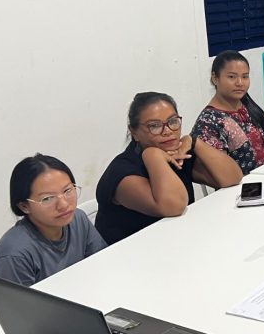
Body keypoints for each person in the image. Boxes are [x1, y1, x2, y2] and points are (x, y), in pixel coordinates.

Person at [95, 92, 243, 245]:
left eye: (173, 121)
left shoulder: (175, 152)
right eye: (154, 126)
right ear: (134, 132)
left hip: (177, 242)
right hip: (128, 258)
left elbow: (233, 178)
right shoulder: (122, 173)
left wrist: (194, 142)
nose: (167, 131)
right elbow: (174, 206)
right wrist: (152, 155)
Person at [0, 154, 106, 287]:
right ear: (24, 206)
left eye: (67, 190)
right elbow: (17, 306)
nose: (63, 205)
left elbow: (101, 264)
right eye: (47, 198)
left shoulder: (78, 219)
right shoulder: (13, 255)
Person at [192, 50, 264, 174]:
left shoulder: (248, 106)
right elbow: (221, 173)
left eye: (245, 76)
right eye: (232, 77)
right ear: (215, 78)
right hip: (241, 189)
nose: (240, 83)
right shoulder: (208, 122)